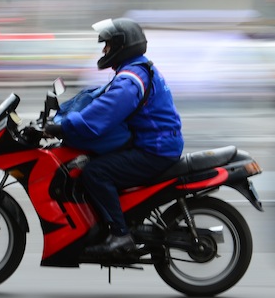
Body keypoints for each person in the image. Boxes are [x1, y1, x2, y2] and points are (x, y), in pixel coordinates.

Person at [43, 17, 184, 255]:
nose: (104, 50)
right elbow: (98, 99)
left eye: (107, 44)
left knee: (95, 172)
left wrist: (64, 126)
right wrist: (63, 115)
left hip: (154, 149)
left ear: (122, 45)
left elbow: (104, 112)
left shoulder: (131, 80)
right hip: (154, 143)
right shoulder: (134, 70)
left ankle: (120, 234)